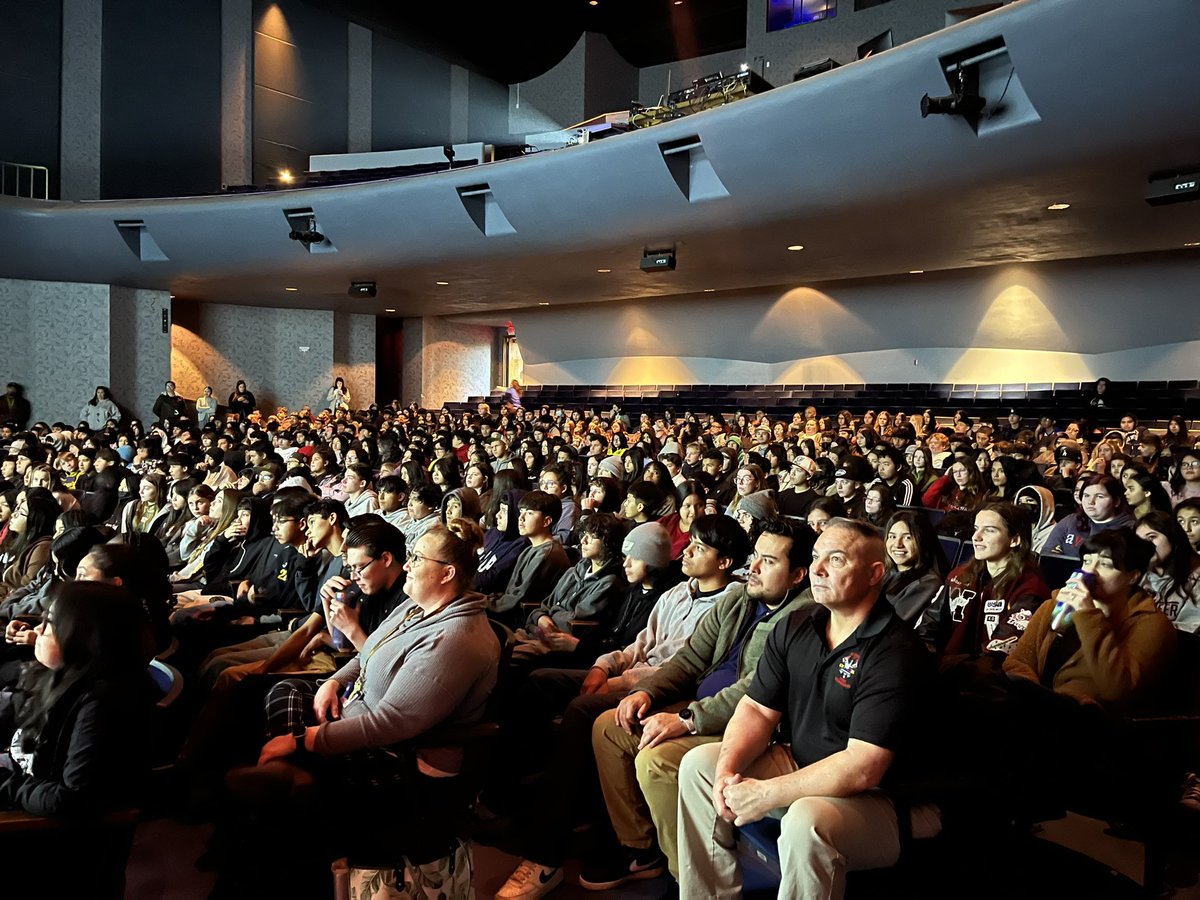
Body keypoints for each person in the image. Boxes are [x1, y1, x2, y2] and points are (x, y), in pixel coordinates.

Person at [676, 518, 938, 900]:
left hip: (888, 798)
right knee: (699, 766)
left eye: (836, 559)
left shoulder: (896, 651)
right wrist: (727, 772)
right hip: (804, 764)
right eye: (816, 557)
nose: (818, 569)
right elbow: (756, 710)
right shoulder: (797, 624)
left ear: (874, 574)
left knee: (806, 820)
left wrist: (765, 794)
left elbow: (863, 766)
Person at [226, 524, 499, 891]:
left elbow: (390, 723)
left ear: (447, 573)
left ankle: (288, 797)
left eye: (417, 558)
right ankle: (288, 789)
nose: (407, 564)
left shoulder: (456, 639)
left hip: (403, 762)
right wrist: (333, 682)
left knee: (271, 793)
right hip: (361, 714)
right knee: (277, 693)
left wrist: (302, 739)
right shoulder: (416, 607)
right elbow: (367, 653)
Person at [586, 518, 815, 887]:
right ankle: (642, 848)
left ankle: (687, 876)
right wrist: (647, 692)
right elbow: (690, 659)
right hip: (697, 704)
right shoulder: (740, 598)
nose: (754, 567)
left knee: (656, 760)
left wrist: (686, 718)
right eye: (756, 556)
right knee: (608, 729)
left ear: (797, 575)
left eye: (769, 561)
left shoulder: (802, 619)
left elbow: (755, 692)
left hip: (745, 726)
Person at [0, 582, 153, 822]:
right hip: (21, 778)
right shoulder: (61, 675)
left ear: (85, 639)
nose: (37, 630)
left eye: (49, 623)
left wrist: (6, 784)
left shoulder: (102, 704)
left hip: (35, 822)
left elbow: (70, 798)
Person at [917, 502, 1049, 659]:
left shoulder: (1031, 590)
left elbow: (999, 653)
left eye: (989, 530)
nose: (976, 537)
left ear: (1014, 540)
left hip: (987, 672)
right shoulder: (959, 577)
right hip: (944, 666)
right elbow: (928, 628)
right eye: (976, 528)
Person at [1135, 510, 1200, 633]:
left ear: (1172, 537)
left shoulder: (1196, 578)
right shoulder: (1137, 576)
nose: (1145, 546)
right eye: (1139, 541)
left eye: (1152, 537)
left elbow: (1193, 629)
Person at [1043, 473, 1135, 559]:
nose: (1091, 502)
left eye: (1099, 496)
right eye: (1086, 496)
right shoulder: (1071, 521)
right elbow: (1048, 554)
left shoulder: (1130, 529)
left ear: (1116, 501)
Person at [882, 509, 949, 623]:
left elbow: (889, 624)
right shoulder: (885, 571)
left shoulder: (928, 583)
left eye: (907, 537)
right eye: (892, 537)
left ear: (922, 541)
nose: (897, 544)